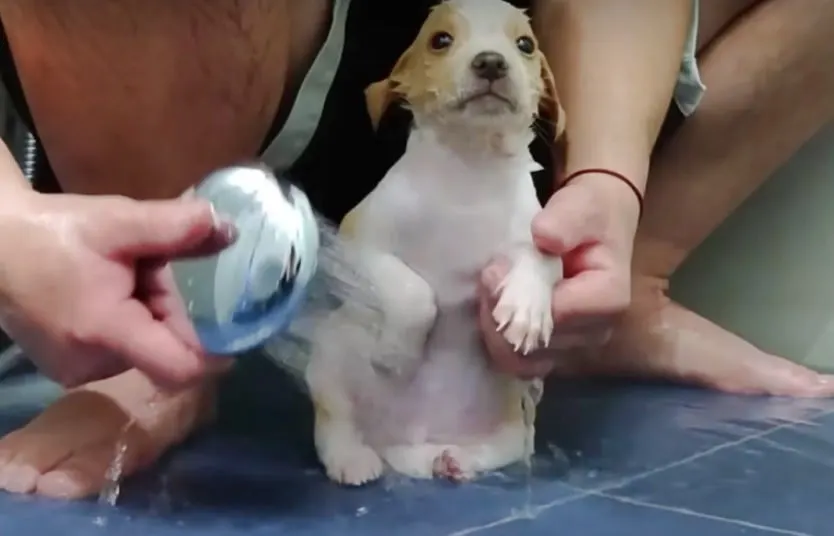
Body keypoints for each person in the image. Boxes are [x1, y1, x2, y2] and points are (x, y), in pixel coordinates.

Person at [0, 0, 830, 500]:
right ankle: (171, 308)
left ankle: (627, 278)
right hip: (234, 70)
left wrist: (609, 178)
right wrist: (13, 228)